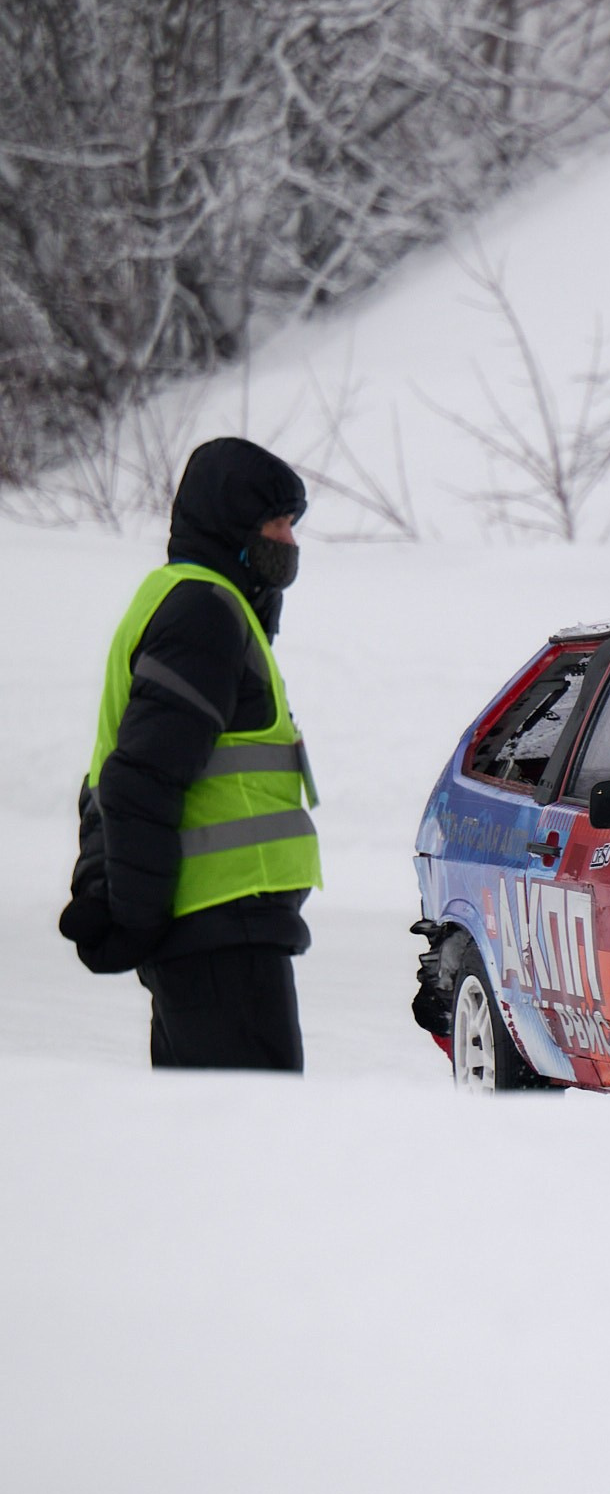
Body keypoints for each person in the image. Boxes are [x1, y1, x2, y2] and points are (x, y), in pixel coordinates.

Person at [58, 438, 321, 1070]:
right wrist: (139, 919)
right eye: (275, 524)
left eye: (291, 524)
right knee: (253, 1143)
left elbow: (121, 771)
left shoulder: (202, 603)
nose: (287, 541)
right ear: (231, 528)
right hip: (219, 933)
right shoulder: (203, 614)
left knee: (213, 1147)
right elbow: (139, 778)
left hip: (219, 933)